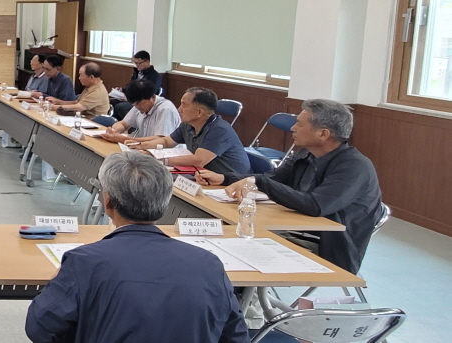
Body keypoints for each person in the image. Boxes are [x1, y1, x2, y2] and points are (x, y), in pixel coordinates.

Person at [24, 151, 248, 343]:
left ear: (108, 202)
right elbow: (235, 336)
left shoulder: (84, 262)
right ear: (165, 202)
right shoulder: (208, 264)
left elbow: (40, 328)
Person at [196, 99, 383, 274]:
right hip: (291, 230)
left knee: (234, 248)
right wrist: (225, 178)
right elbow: (273, 178)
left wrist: (259, 183)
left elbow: (315, 205)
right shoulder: (306, 154)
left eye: (300, 124)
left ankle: (242, 296)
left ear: (323, 134)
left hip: (328, 246)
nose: (293, 128)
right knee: (215, 239)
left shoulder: (354, 167)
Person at [130, 87, 250, 177]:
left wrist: (160, 159)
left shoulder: (219, 130)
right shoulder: (188, 125)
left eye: (184, 105)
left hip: (232, 182)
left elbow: (198, 160)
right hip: (206, 177)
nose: (179, 109)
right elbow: (166, 141)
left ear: (199, 112)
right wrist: (138, 146)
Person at [101, 79, 180, 143]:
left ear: (152, 97)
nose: (137, 107)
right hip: (146, 149)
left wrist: (125, 139)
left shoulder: (165, 109)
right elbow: (124, 124)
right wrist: (114, 131)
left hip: (167, 154)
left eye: (139, 103)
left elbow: (161, 140)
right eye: (134, 104)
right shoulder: (138, 106)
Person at [44, 62, 110, 118]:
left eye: (81, 75)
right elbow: (76, 102)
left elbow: (77, 108)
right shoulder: (90, 87)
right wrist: (57, 101)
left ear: (91, 77)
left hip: (92, 123)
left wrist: (51, 107)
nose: (79, 78)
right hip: (81, 118)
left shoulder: (97, 92)